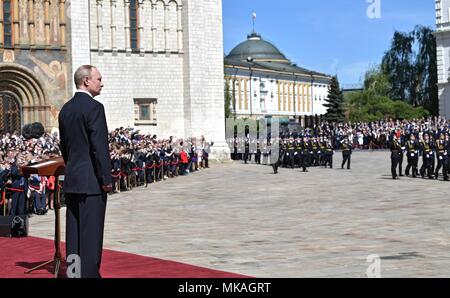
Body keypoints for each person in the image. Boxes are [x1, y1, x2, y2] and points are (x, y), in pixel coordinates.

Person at [58, 65, 112, 278]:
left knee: (73, 235)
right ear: (87, 80)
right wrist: (106, 179)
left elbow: (65, 147)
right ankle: (89, 275)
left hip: (73, 180)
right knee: (91, 236)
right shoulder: (94, 108)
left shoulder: (66, 109)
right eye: (99, 78)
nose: (102, 83)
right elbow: (100, 148)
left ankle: (74, 274)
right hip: (92, 183)